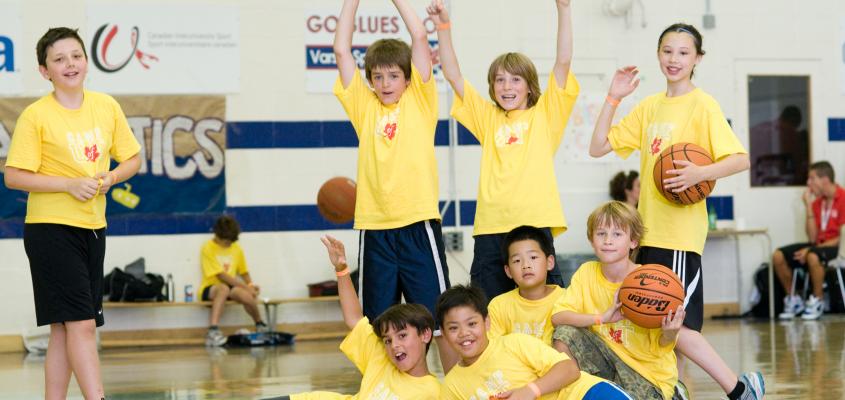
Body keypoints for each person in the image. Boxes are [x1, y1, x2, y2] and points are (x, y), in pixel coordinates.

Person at [587, 23, 764, 400]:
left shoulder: (703, 105)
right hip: (647, 233)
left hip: (680, 237)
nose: (674, 59)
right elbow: (598, 146)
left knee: (676, 324)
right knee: (656, 323)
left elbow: (741, 159)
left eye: (684, 53)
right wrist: (614, 97)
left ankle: (738, 389)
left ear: (698, 59)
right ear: (658, 54)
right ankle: (674, 390)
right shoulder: (650, 106)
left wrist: (702, 172)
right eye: (668, 51)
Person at [3, 27, 141, 400]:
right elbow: (14, 176)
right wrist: (67, 184)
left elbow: (133, 158)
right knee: (82, 324)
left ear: (86, 60)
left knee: (64, 329)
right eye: (59, 59)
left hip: (93, 227)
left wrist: (112, 176)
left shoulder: (106, 106)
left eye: (76, 56)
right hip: (50, 230)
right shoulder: (36, 116)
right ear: (44, 71)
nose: (70, 64)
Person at [427, 0, 578, 302]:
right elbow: (454, 75)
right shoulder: (487, 117)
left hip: (533, 224)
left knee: (547, 309)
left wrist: (563, 9)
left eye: (515, 79)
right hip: (491, 228)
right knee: (488, 310)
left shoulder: (545, 115)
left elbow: (562, 63)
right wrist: (443, 26)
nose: (506, 86)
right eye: (500, 79)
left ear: (530, 87)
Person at [333, 0, 451, 366]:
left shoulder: (421, 99)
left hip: (418, 225)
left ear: (408, 78)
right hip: (376, 230)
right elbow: (340, 48)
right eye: (378, 77)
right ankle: (383, 388)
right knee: (379, 325)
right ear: (370, 80)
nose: (385, 84)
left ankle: (455, 390)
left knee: (439, 322)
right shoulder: (364, 106)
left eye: (393, 76)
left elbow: (418, 34)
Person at [266, 235, 441, 400]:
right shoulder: (381, 355)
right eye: (387, 340)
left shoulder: (433, 392)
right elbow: (354, 319)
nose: (394, 345)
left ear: (425, 334)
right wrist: (341, 269)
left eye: (402, 335)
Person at [551, 201, 684, 399]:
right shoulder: (586, 272)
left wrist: (670, 333)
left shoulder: (651, 283)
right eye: (601, 233)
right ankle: (575, 392)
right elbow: (558, 317)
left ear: (633, 241)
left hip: (645, 375)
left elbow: (663, 344)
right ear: (591, 239)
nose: (608, 241)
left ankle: (674, 394)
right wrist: (601, 318)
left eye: (617, 234)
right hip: (605, 363)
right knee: (565, 334)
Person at [436, 285, 633, 400]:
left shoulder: (514, 343)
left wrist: (530, 391)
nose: (464, 333)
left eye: (471, 324)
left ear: (486, 322)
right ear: (443, 333)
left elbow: (569, 369)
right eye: (453, 328)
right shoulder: (452, 386)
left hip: (584, 394)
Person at [774, 161, 845, 320]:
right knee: (779, 256)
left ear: (825, 180)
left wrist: (810, 250)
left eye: (812, 178)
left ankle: (817, 300)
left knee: (813, 255)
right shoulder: (817, 203)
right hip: (818, 244)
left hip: (838, 246)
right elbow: (812, 238)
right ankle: (794, 299)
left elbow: (842, 237)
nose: (808, 183)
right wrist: (808, 206)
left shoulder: (843, 198)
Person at [487, 225, 566, 345]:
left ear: (549, 262)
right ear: (508, 271)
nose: (526, 265)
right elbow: (493, 350)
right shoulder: (498, 306)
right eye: (517, 260)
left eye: (533, 257)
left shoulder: (566, 300)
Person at [199, 215, 268, 346]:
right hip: (211, 287)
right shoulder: (207, 248)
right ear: (217, 236)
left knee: (245, 295)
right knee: (223, 288)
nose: (229, 244)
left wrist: (250, 286)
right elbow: (221, 276)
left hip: (230, 287)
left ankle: (260, 324)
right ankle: (213, 331)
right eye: (226, 242)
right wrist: (245, 286)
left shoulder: (236, 248)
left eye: (231, 242)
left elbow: (244, 272)